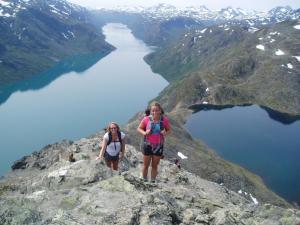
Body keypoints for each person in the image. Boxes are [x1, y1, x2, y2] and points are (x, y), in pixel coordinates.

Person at [137, 101, 170, 183]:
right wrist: (145, 133)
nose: (154, 112)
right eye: (153, 110)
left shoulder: (164, 120)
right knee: (146, 165)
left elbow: (169, 130)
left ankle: (152, 182)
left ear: (160, 111)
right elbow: (139, 128)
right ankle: (143, 181)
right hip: (147, 144)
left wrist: (165, 133)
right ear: (151, 111)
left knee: (154, 166)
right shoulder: (146, 119)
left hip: (159, 145)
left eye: (156, 110)